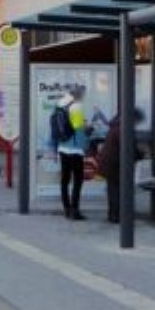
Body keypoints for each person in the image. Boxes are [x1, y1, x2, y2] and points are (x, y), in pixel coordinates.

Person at [52, 84, 91, 220]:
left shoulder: (60, 105)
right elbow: (78, 129)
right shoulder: (76, 107)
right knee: (78, 180)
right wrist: (88, 129)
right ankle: (75, 210)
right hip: (75, 150)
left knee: (65, 179)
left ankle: (66, 208)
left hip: (62, 148)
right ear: (80, 95)